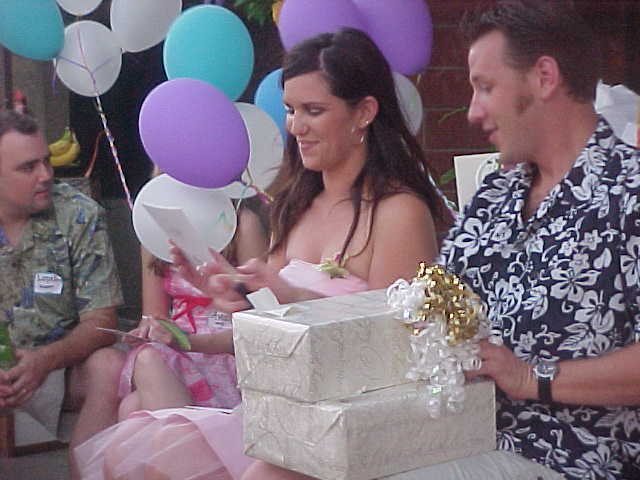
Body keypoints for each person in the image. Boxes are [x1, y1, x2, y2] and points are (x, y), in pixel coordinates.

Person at [75, 27, 450, 479]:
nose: (295, 127)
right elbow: (267, 332)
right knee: (133, 447)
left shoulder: (398, 212)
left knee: (170, 456)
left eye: (314, 111)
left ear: (365, 112)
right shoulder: (296, 205)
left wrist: (292, 296)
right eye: (291, 110)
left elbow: (394, 345)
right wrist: (214, 308)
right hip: (285, 413)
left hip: (354, 423)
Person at [413, 1, 639, 479]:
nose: (473, 112)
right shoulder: (494, 196)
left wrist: (528, 376)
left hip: (571, 459)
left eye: (485, 87)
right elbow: (432, 307)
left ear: (544, 77)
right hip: (452, 438)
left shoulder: (629, 193)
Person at [0, 110, 125, 479]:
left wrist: (43, 361)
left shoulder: (79, 214)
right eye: (28, 167)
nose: (45, 175)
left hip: (58, 366)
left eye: (46, 161)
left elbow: (103, 321)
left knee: (111, 366)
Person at [116, 196, 269, 420]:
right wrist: (149, 330)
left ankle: (192, 439)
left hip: (227, 349)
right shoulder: (155, 225)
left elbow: (260, 316)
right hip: (176, 344)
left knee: (134, 407)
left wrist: (183, 341)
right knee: (134, 398)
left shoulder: (241, 222)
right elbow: (153, 314)